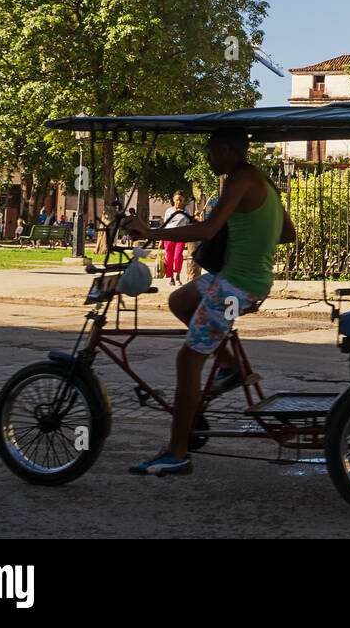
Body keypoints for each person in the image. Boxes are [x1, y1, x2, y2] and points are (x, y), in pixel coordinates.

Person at [121, 128, 295, 475]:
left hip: (236, 286)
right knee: (180, 301)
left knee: (188, 361)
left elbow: (206, 231)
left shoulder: (239, 179)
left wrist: (151, 232)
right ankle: (232, 367)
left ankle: (177, 452)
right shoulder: (259, 180)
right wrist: (250, 228)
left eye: (212, 151)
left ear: (229, 150)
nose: (208, 157)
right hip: (238, 278)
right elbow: (288, 233)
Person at [161, 191, 195, 286]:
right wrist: (161, 240)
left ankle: (177, 276)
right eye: (177, 200)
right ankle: (171, 278)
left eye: (180, 200)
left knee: (177, 257)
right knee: (169, 258)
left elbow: (189, 224)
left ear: (183, 200)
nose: (179, 202)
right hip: (169, 237)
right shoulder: (169, 211)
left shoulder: (186, 211)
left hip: (180, 237)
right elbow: (164, 226)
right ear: (173, 200)